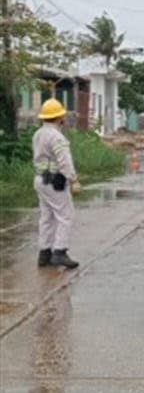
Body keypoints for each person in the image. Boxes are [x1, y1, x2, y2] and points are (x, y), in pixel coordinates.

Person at [32, 99, 81, 269]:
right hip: (55, 182)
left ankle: (44, 253)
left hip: (40, 179)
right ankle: (59, 252)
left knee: (46, 217)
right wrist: (73, 179)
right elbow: (64, 160)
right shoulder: (57, 137)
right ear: (60, 118)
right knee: (65, 215)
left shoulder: (38, 134)